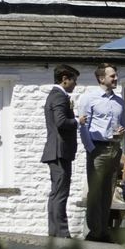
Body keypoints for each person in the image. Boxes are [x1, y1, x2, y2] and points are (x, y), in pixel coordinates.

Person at [77, 61, 125, 241]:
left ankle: (103, 229)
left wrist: (121, 133)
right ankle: (94, 231)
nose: (116, 78)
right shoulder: (88, 98)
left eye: (115, 75)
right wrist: (91, 148)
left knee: (108, 191)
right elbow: (83, 127)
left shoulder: (119, 101)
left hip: (114, 149)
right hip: (97, 149)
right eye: (112, 76)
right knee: (95, 191)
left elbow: (124, 126)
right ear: (101, 78)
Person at [40, 64, 80, 238]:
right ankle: (62, 233)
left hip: (56, 151)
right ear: (65, 79)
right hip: (59, 151)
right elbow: (61, 122)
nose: (75, 84)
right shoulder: (59, 96)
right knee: (61, 193)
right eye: (74, 80)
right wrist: (79, 120)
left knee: (56, 193)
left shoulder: (55, 96)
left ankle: (55, 231)